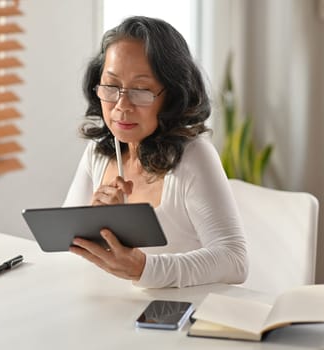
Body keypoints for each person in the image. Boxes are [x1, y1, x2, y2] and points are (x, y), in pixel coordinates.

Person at [64, 16, 248, 288]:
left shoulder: (194, 157)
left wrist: (144, 269)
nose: (122, 105)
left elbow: (235, 261)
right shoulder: (99, 152)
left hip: (177, 318)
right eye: (111, 87)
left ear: (172, 95)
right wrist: (97, 226)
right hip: (114, 310)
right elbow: (67, 248)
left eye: (141, 90)